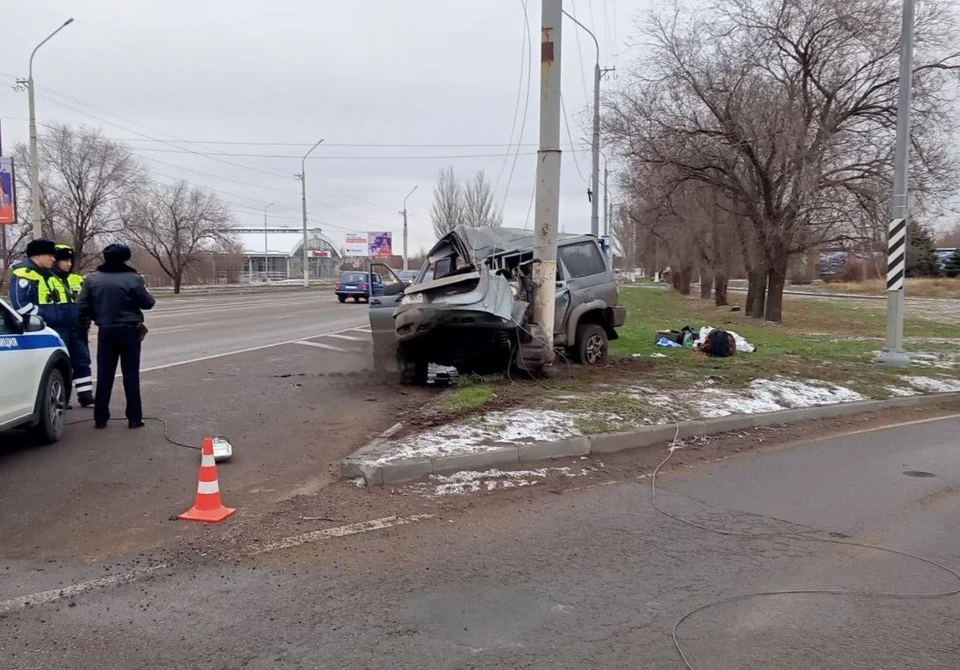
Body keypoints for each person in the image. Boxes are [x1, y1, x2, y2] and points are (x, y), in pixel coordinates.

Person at [77, 243, 155, 429]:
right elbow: (148, 303)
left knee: (104, 375)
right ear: (125, 258)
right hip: (129, 330)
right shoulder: (134, 278)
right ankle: (134, 418)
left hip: (106, 330)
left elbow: (82, 306)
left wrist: (97, 316)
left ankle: (101, 418)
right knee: (130, 375)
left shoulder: (92, 279)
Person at [49, 243, 95, 407]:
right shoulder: (47, 280)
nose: (68, 264)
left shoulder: (76, 279)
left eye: (70, 260)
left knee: (82, 361)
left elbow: (88, 300)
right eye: (64, 260)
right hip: (58, 329)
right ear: (55, 261)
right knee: (62, 364)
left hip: (79, 327)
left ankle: (86, 396)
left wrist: (88, 317)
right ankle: (63, 398)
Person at [8, 237, 71, 326]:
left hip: (51, 327)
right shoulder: (24, 273)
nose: (53, 259)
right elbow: (20, 305)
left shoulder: (45, 273)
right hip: (36, 328)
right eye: (50, 256)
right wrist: (41, 317)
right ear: (38, 256)